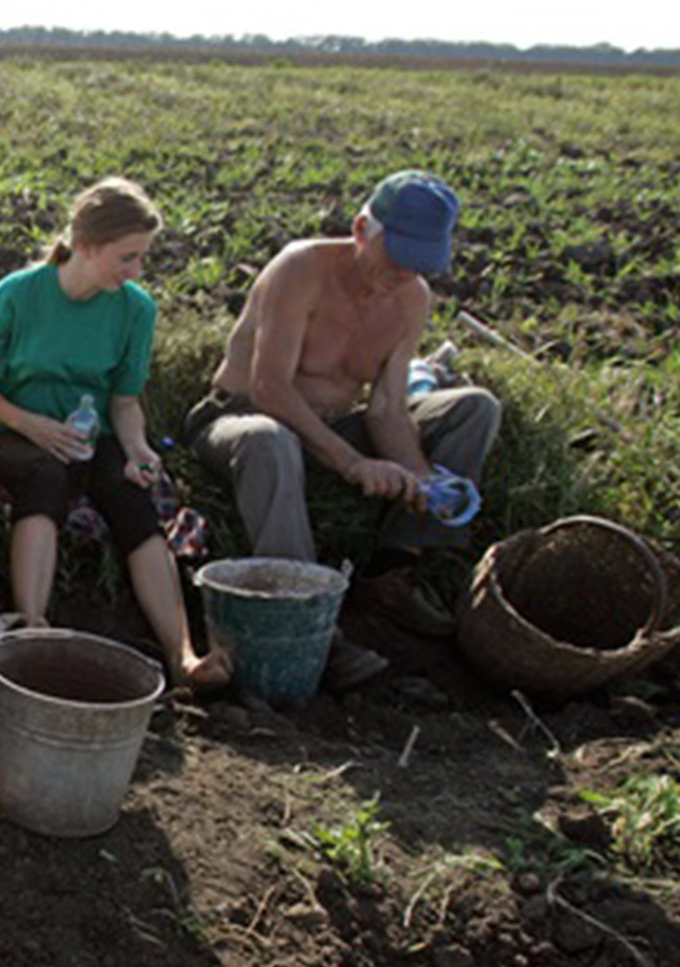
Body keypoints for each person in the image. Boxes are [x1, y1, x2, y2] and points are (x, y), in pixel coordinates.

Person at [183, 170, 501, 691]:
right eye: (396, 257)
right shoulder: (300, 269)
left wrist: (419, 478)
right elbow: (270, 390)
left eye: (419, 265)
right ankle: (309, 624)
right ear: (361, 230)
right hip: (241, 420)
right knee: (271, 439)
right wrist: (352, 463)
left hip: (332, 425)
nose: (403, 274)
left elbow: (387, 410)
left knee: (475, 408)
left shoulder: (411, 300)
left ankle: (394, 572)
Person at [0, 178, 229, 691]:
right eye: (127, 257)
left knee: (133, 497)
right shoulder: (17, 295)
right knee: (43, 480)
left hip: (92, 433)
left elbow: (125, 402)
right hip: (21, 426)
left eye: (142, 258)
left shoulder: (135, 309)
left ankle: (183, 656)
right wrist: (29, 424)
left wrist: (137, 449)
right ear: (84, 246)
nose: (136, 271)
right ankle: (32, 628)